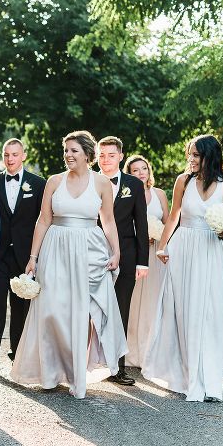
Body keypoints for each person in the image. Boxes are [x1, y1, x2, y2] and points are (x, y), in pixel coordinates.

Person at [10, 130, 126, 399]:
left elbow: (107, 220)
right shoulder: (54, 181)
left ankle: (76, 374)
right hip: (56, 247)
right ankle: (50, 373)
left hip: (90, 249)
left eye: (73, 150)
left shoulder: (101, 184)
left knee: (82, 313)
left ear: (87, 154)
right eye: (66, 150)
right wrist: (33, 257)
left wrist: (116, 251)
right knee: (51, 310)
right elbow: (43, 219)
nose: (68, 155)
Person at [144, 134, 223, 402]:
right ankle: (186, 376)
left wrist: (222, 231)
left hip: (210, 252)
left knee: (209, 313)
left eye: (196, 155)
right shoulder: (182, 181)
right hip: (183, 248)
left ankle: (208, 381)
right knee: (182, 312)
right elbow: (174, 215)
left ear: (210, 156)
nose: (191, 160)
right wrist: (163, 246)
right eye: (190, 155)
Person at [0, 139, 45, 372]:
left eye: (15, 154)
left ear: (23, 156)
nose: (10, 159)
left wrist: (36, 257)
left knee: (21, 308)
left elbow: (43, 221)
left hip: (24, 256)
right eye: (6, 154)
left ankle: (18, 354)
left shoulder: (38, 184)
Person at [96, 136, 149, 386]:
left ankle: (117, 367)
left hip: (126, 256)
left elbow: (142, 223)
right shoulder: (89, 180)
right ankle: (85, 364)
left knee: (120, 309)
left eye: (111, 155)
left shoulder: (133, 185)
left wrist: (142, 261)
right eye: (102, 155)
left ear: (121, 156)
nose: (106, 160)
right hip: (92, 253)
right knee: (90, 309)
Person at [123, 155, 169, 368]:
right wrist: (140, 234)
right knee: (133, 304)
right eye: (135, 170)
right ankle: (131, 352)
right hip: (135, 254)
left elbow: (168, 223)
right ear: (129, 173)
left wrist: (160, 240)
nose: (141, 173)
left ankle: (151, 352)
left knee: (153, 304)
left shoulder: (159, 194)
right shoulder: (127, 192)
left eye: (144, 169)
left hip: (156, 256)